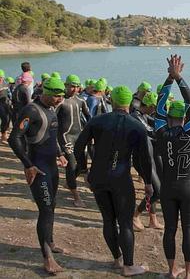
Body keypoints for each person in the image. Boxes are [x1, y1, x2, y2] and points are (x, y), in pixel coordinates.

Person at [75, 85, 153, 277]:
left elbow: (78, 147)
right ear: (128, 102)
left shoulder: (97, 121)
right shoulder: (136, 126)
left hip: (98, 178)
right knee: (125, 223)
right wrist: (148, 182)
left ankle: (117, 259)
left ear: (113, 101)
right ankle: (128, 266)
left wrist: (84, 169)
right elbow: (145, 159)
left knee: (108, 220)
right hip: (121, 180)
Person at [8, 77, 68, 274]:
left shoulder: (52, 110)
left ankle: (49, 242)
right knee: (45, 210)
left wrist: (60, 154)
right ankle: (47, 259)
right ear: (45, 92)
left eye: (61, 96)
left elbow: (53, 136)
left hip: (52, 167)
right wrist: (28, 165)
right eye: (56, 96)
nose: (59, 99)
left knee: (52, 206)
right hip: (38, 168)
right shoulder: (31, 110)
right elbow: (14, 137)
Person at [155, 55, 190, 279]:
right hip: (189, 188)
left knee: (170, 230)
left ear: (168, 117)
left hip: (168, 188)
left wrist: (169, 78)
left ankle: (171, 271)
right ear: (183, 118)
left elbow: (159, 104)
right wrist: (178, 77)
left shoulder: (160, 132)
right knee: (188, 230)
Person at [56, 74, 91, 207]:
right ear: (66, 85)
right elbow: (51, 119)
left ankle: (69, 182)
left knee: (81, 166)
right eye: (72, 86)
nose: (74, 89)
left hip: (79, 136)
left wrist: (93, 134)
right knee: (71, 165)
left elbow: (89, 118)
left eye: (77, 86)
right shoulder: (60, 101)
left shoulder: (81, 100)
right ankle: (76, 196)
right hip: (66, 137)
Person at [131, 92, 164, 231]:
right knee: (157, 191)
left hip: (149, 157)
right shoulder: (136, 116)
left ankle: (152, 219)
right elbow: (151, 131)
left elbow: (156, 124)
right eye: (155, 107)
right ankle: (135, 215)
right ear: (150, 106)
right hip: (142, 160)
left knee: (155, 190)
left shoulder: (144, 115)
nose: (155, 110)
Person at [0, 69, 11, 143]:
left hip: (6, 103)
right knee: (4, 119)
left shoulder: (5, 83)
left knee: (7, 119)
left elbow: (9, 93)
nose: (1, 79)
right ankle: (3, 136)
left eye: (1, 77)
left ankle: (4, 135)